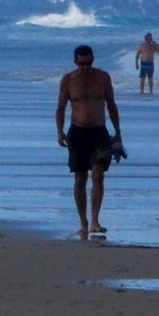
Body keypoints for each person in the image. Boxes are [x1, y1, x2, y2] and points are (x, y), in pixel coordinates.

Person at [55, 44, 122, 239]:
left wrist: (118, 132)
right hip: (77, 132)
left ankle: (95, 220)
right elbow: (60, 108)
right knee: (80, 177)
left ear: (93, 60)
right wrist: (59, 131)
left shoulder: (103, 77)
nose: (85, 67)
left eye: (88, 63)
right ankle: (83, 222)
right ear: (75, 62)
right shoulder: (68, 80)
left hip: (99, 132)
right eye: (81, 64)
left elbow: (111, 105)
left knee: (98, 174)